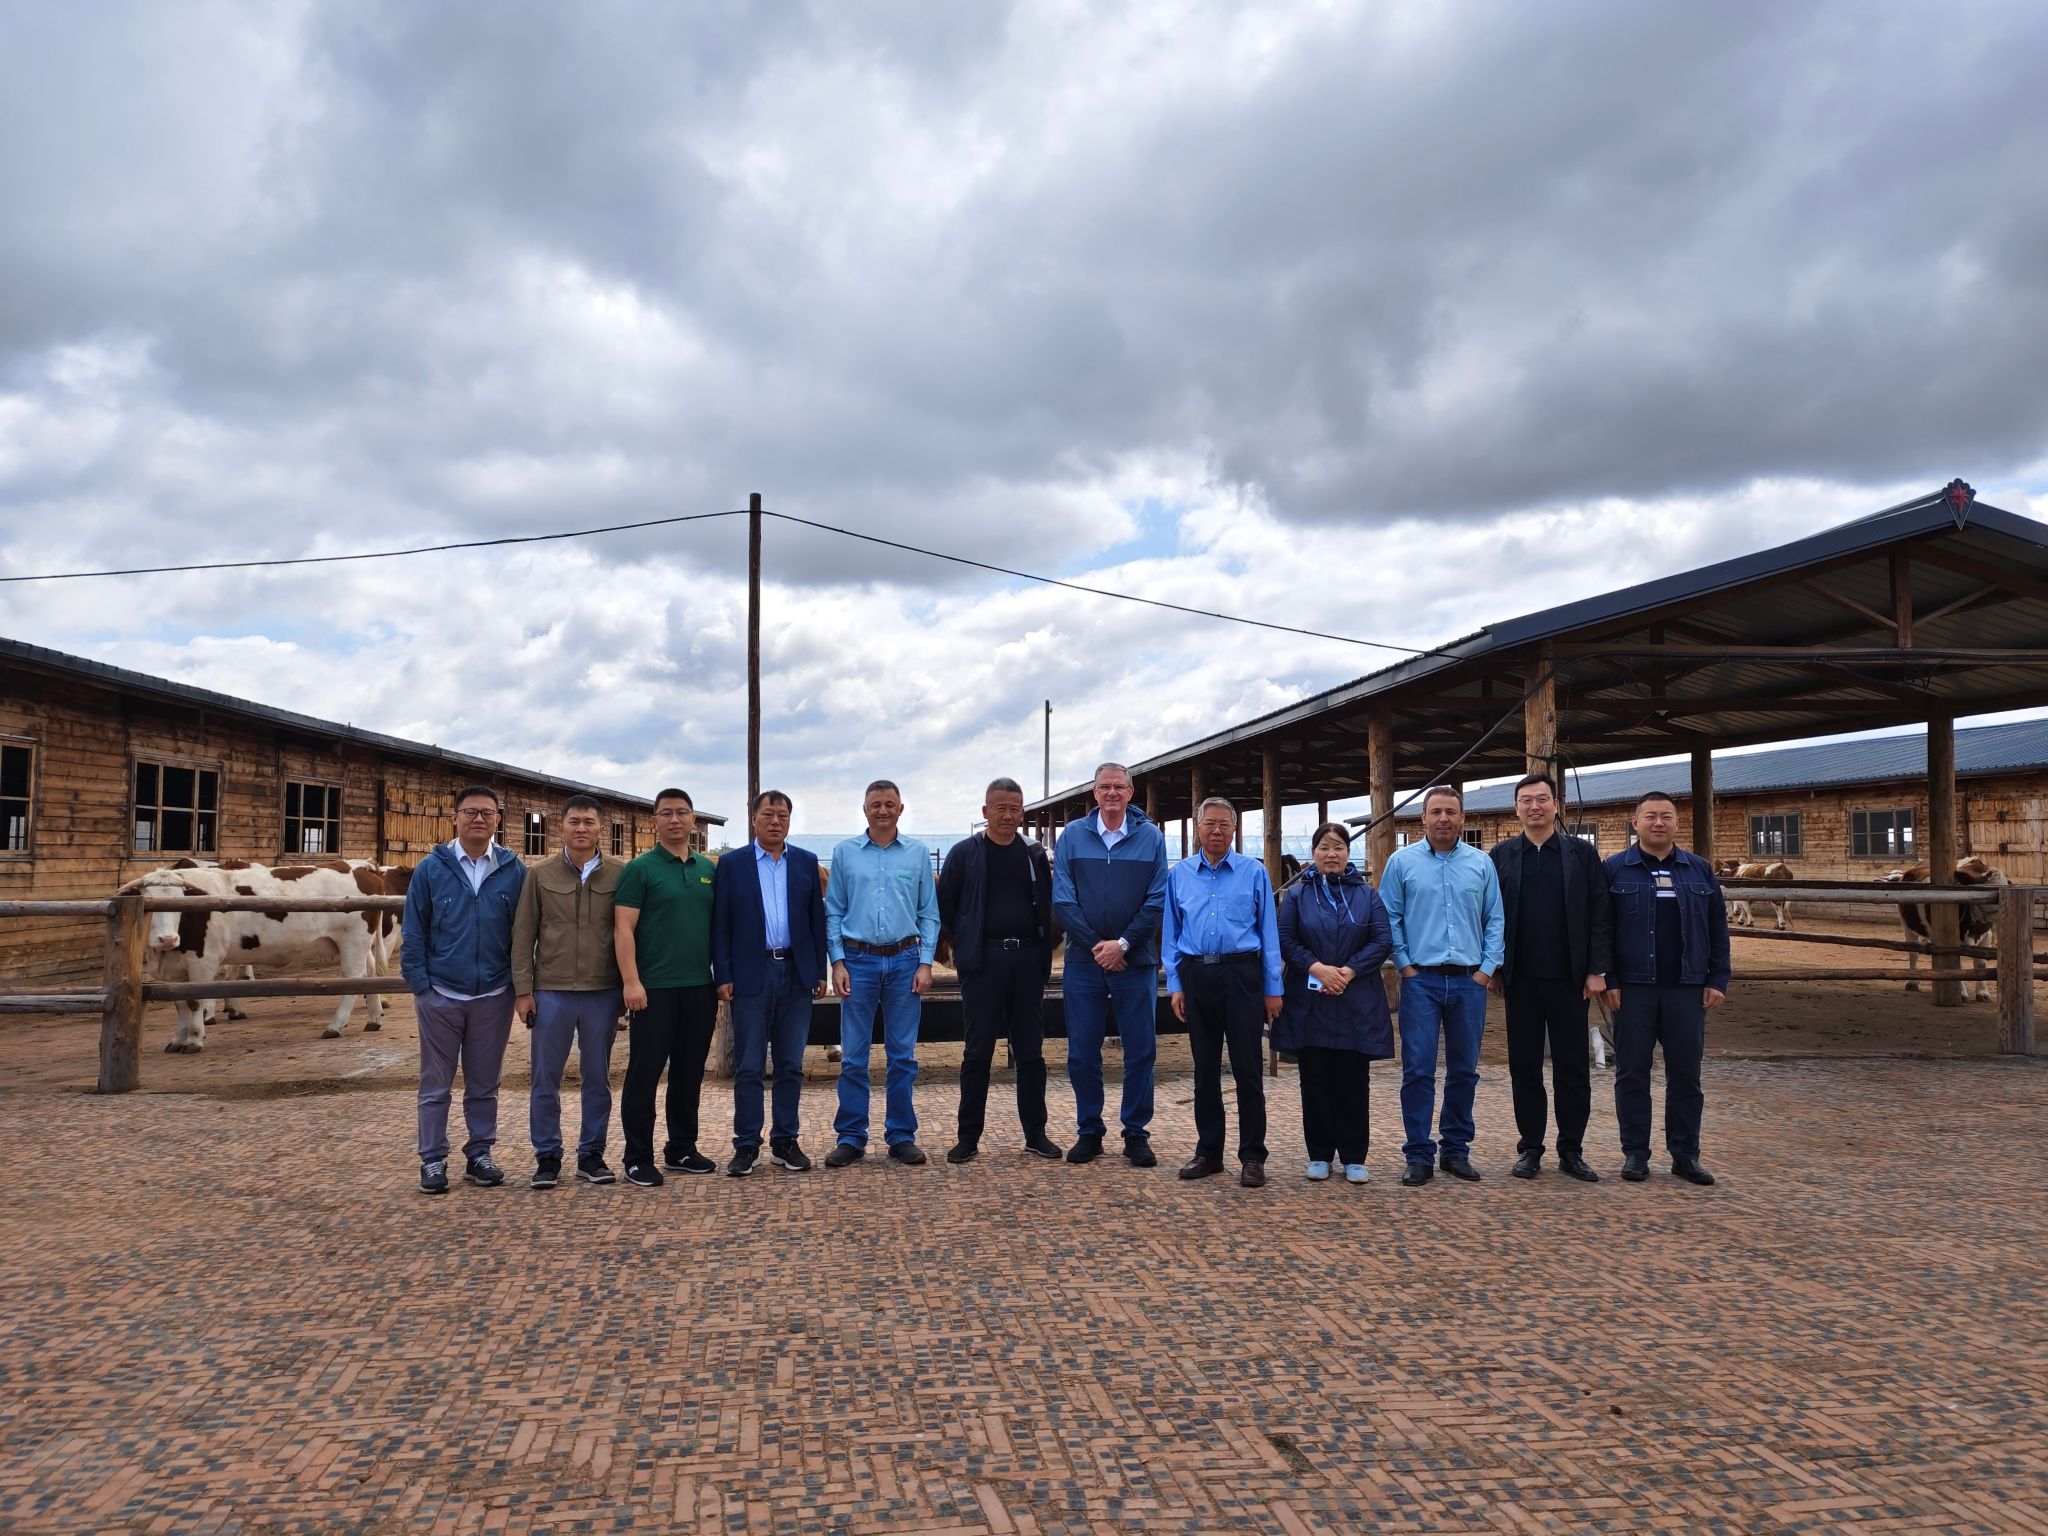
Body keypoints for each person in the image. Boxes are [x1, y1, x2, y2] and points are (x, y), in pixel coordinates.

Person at [400, 784, 527, 1195]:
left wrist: (517, 985)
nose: (479, 819)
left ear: (497, 820)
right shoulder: (431, 869)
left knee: (485, 1083)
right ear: (454, 817)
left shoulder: (513, 870)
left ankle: (480, 1153)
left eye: (487, 813)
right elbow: (413, 931)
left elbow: (523, 933)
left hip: (493, 994)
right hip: (442, 993)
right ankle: (433, 1159)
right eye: (471, 812)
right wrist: (422, 987)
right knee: (435, 1083)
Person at [1488, 774, 1612, 1183]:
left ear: (1556, 805)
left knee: (1572, 1067)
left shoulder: (1581, 854)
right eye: (1526, 800)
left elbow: (1600, 913)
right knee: (1524, 1066)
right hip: (1520, 980)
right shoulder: (1502, 856)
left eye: (1542, 799)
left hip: (1569, 980)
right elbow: (1489, 916)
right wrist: (1495, 968)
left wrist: (1596, 970)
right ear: (1516, 808)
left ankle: (1571, 1150)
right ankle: (1530, 1148)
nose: (1535, 806)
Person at [1601, 791, 1729, 1186]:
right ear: (1635, 822)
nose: (1659, 823)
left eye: (1666, 817)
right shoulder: (1615, 870)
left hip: (1686, 989)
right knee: (1632, 1073)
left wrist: (1717, 978)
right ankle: (1635, 1153)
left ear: (1676, 822)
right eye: (1651, 816)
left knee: (1686, 1075)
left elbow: (1718, 927)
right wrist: (1609, 979)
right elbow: (1602, 930)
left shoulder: (1699, 870)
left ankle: (1685, 1155)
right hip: (1633, 989)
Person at [1379, 784, 1504, 1187]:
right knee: (1418, 1070)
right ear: (1423, 818)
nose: (1444, 819)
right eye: (1436, 812)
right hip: (1422, 982)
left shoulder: (1481, 864)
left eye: (1451, 812)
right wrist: (1405, 966)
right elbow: (1389, 918)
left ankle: (1456, 1151)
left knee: (1464, 1071)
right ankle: (1418, 1154)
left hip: (1469, 982)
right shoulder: (1401, 863)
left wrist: (1486, 969)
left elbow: (1495, 919)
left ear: (1462, 818)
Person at [936, 777, 1063, 1164]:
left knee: (1031, 1053)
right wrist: (967, 942)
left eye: (1014, 809)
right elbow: (945, 907)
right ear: (985, 811)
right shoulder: (964, 854)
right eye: (1000, 808)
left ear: (1022, 813)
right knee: (977, 1053)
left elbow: (1049, 903)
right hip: (983, 963)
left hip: (1027, 962)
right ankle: (968, 1137)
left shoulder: (1034, 854)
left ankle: (1036, 1134)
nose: (1007, 815)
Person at [1051, 762, 1169, 1167]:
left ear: (1131, 793)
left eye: (1120, 786)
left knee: (1141, 1050)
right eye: (1105, 787)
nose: (1113, 793)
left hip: (1135, 960)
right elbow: (1063, 899)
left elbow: (1156, 899)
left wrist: (1122, 945)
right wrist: (1098, 947)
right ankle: (1090, 1130)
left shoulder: (1151, 838)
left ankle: (1136, 1133)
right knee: (1082, 1051)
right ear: (1095, 793)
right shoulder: (1072, 836)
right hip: (1084, 961)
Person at [1162, 798, 1283, 1188]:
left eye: (1224, 825)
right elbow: (1171, 934)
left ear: (1234, 830)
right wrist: (1176, 984)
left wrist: (1272, 989)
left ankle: (1252, 1156)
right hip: (1197, 975)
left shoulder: (1254, 872)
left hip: (1242, 975)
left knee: (1248, 1069)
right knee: (1205, 1070)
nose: (1217, 831)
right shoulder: (1180, 875)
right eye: (1210, 823)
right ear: (1198, 827)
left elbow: (1269, 933)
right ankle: (1209, 1152)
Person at [710, 790, 828, 1177]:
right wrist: (723, 975)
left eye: (783, 815)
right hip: (751, 974)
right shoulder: (733, 865)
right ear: (754, 819)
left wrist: (819, 971)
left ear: (790, 821)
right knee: (748, 1065)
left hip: (796, 974)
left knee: (791, 1064)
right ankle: (747, 1144)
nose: (775, 821)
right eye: (768, 814)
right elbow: (721, 924)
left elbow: (816, 921)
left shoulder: (806, 863)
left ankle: (785, 1141)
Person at [823, 780, 940, 1167]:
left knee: (902, 1056)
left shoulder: (917, 854)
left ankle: (901, 1134)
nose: (883, 810)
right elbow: (834, 911)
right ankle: (851, 1136)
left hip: (905, 960)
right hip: (857, 961)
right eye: (876, 804)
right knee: (853, 1058)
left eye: (890, 804)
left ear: (901, 809)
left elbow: (929, 913)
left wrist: (925, 962)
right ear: (865, 809)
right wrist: (837, 961)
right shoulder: (845, 853)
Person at [512, 794, 625, 1189]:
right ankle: (547, 1156)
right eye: (574, 821)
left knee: (598, 1077)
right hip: (551, 992)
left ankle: (591, 1154)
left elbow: (631, 932)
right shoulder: (540, 874)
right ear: (561, 827)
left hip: (602, 992)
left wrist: (627, 985)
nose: (581, 828)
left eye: (589, 822)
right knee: (545, 1077)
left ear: (600, 828)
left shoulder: (620, 874)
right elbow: (523, 935)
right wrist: (523, 991)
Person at [1273, 822, 1393, 1184]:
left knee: (1354, 1080)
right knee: (1315, 1079)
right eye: (1324, 847)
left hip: (1356, 999)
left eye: (1338, 847)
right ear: (1313, 853)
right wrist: (1317, 968)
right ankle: (1320, 1154)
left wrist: (1348, 972)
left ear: (1347, 853)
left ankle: (1354, 1156)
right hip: (1310, 1000)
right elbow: (1285, 938)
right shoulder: (1297, 895)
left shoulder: (1367, 895)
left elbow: (1382, 939)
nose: (1331, 854)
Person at [612, 787, 719, 1189]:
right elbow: (623, 928)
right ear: (655, 820)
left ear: (693, 820)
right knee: (644, 1074)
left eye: (682, 812)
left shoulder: (707, 869)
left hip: (699, 987)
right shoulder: (640, 869)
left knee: (689, 1074)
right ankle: (637, 1157)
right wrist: (631, 981)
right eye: (667, 813)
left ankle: (681, 1148)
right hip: (652, 990)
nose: (675, 819)